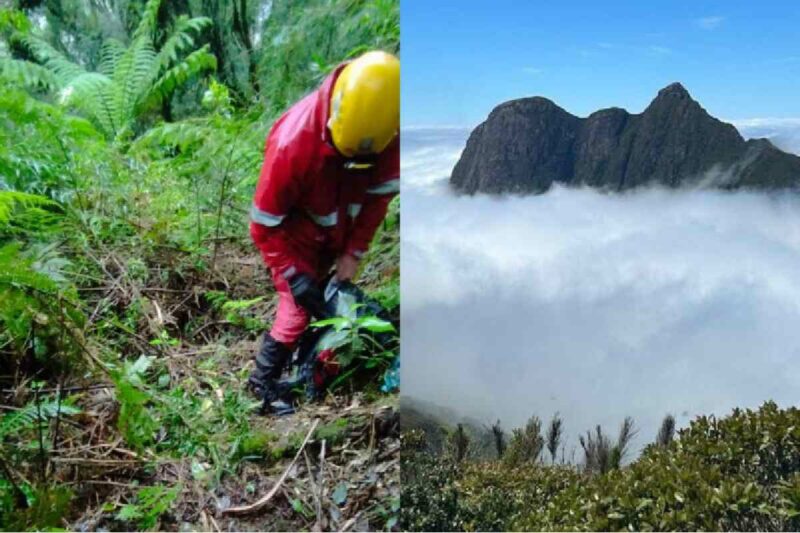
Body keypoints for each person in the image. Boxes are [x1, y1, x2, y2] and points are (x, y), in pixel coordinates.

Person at [248, 50, 400, 414]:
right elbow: (263, 224)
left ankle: (305, 360)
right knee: (298, 307)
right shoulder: (292, 145)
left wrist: (353, 253)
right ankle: (261, 383)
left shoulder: (387, 132)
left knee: (327, 300)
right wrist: (292, 274)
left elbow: (376, 202)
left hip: (335, 236)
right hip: (292, 238)